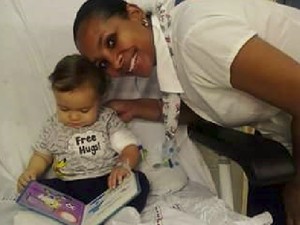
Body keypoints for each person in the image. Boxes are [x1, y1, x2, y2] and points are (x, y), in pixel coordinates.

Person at [72, 0, 300, 224]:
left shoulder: (195, 37)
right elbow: (207, 101)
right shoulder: (173, 56)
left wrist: (296, 188)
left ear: (134, 13)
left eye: (111, 41)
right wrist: (138, 107)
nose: (115, 62)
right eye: (102, 65)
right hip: (284, 140)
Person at [17, 54, 149, 212]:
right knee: (33, 190)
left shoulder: (106, 120)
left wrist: (123, 166)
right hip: (68, 189)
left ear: (98, 100)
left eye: (84, 110)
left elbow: (130, 148)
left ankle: (115, 213)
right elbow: (42, 156)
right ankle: (69, 213)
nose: (73, 116)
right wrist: (31, 171)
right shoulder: (53, 126)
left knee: (139, 181)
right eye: (64, 109)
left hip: (107, 183)